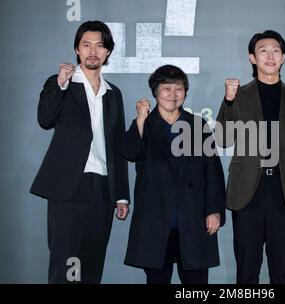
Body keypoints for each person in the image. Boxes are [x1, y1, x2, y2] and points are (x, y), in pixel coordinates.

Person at [30, 21, 130, 283]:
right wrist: (61, 85)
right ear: (77, 49)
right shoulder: (61, 83)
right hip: (69, 187)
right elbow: (45, 119)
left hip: (103, 188)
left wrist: (121, 195)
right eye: (86, 45)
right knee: (66, 264)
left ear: (108, 51)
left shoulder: (113, 94)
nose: (92, 51)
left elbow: (118, 147)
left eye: (99, 45)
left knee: (92, 262)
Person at [215, 30, 285, 284]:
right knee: (247, 273)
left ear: (283, 58)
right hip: (247, 193)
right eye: (263, 50)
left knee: (282, 273)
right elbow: (223, 139)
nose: (270, 55)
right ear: (252, 58)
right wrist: (228, 102)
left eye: (275, 50)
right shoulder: (238, 96)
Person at [122, 64, 226, 284]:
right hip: (156, 221)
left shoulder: (198, 126)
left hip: (194, 220)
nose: (172, 94)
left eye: (178, 88)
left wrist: (214, 210)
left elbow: (213, 172)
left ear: (185, 93)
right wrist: (140, 120)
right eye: (166, 88)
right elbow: (129, 152)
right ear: (155, 92)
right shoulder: (144, 125)